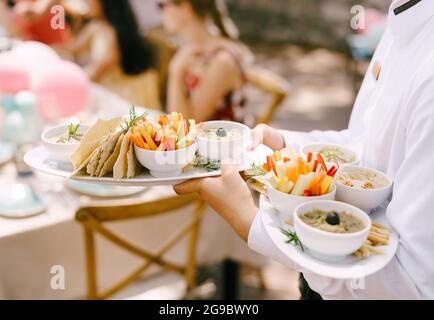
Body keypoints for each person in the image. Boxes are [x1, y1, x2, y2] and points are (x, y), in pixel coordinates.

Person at [174, 0, 434, 299]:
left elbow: (409, 288)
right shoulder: (402, 18)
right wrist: (285, 144)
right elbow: (366, 144)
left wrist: (248, 220)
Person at [159, 0, 252, 123]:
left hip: (222, 140)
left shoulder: (222, 60)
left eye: (162, 5)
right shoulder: (190, 52)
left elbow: (184, 125)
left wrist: (176, 70)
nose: (160, 13)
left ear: (185, 9)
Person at [65, 0, 160, 109]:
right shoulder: (97, 25)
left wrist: (69, 84)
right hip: (110, 91)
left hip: (125, 97)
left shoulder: (111, 33)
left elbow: (95, 72)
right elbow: (72, 49)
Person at [0, 0, 69, 45]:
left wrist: (36, 9)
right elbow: (13, 32)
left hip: (56, 49)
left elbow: (38, 11)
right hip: (30, 49)